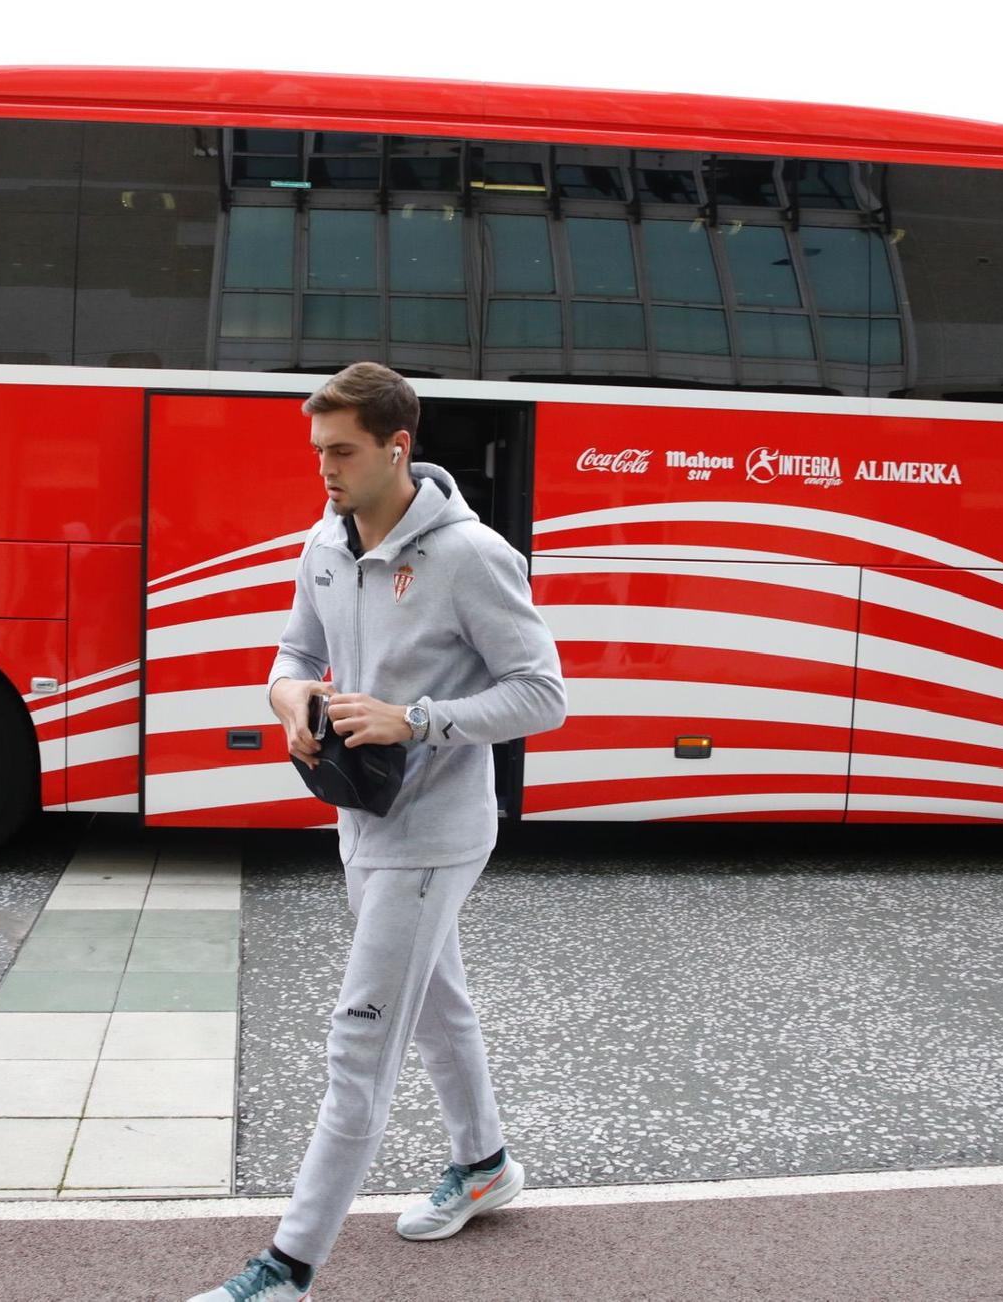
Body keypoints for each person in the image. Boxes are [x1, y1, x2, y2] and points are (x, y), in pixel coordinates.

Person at [188, 362, 567, 1302]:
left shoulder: (470, 555)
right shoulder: (324, 539)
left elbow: (544, 695)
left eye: (342, 451)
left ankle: (286, 1268)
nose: (324, 468)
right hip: (362, 816)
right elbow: (292, 651)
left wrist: (418, 719)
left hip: (436, 832)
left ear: (398, 448)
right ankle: (483, 1164)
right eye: (318, 449)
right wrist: (292, 699)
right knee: (436, 1004)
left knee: (361, 1040)